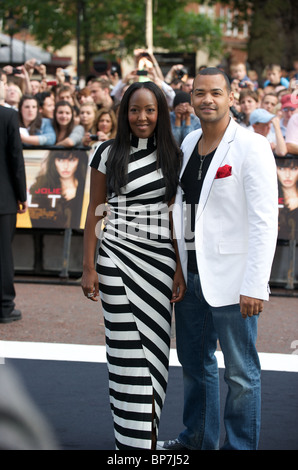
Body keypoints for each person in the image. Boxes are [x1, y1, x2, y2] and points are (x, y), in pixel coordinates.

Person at [158, 67, 278, 450]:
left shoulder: (251, 145)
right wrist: (178, 267)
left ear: (231, 97)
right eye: (199, 93)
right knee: (195, 367)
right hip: (191, 277)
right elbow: (180, 211)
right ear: (190, 98)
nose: (207, 99)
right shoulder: (189, 141)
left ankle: (240, 446)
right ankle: (196, 441)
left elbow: (264, 220)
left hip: (234, 280)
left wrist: (255, 284)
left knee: (241, 374)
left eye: (216, 92)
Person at [81, 81, 185, 450]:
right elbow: (96, 210)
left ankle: (149, 439)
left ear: (161, 113)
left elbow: (176, 217)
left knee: (156, 355)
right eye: (135, 110)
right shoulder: (106, 152)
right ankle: (130, 444)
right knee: (125, 355)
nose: (142, 117)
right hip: (116, 262)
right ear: (124, 113)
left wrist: (178, 266)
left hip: (158, 265)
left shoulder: (173, 154)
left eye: (150, 110)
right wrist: (89, 265)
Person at [0, 94, 27, 323]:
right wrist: (21, 194)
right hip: (4, 196)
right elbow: (15, 157)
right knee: (3, 254)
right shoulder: (8, 115)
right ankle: (4, 306)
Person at [28, 149, 88, 229]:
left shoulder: (86, 188)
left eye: (72, 160)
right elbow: (35, 221)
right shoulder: (40, 186)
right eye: (60, 160)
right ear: (53, 161)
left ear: (79, 161)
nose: (65, 166)